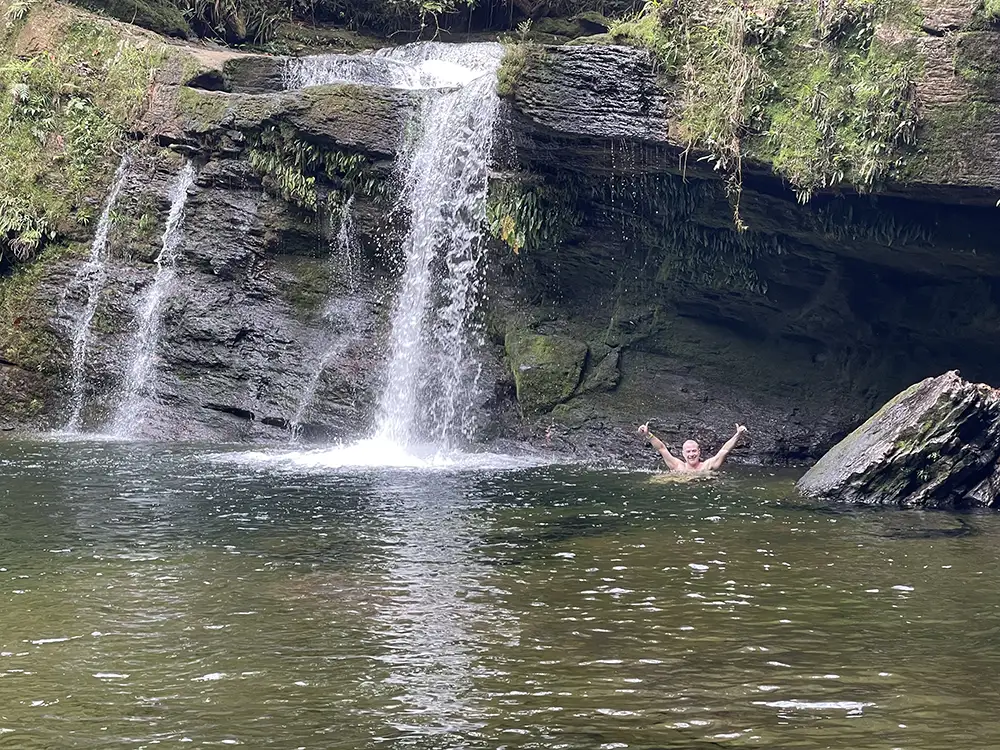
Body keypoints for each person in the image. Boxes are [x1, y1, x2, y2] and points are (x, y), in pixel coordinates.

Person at [637, 422, 747, 472]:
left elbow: (724, 450)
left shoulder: (707, 466)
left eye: (694, 451)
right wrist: (648, 434)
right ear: (683, 454)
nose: (691, 454)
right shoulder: (678, 466)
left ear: (699, 452)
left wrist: (737, 436)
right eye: (688, 452)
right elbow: (661, 448)